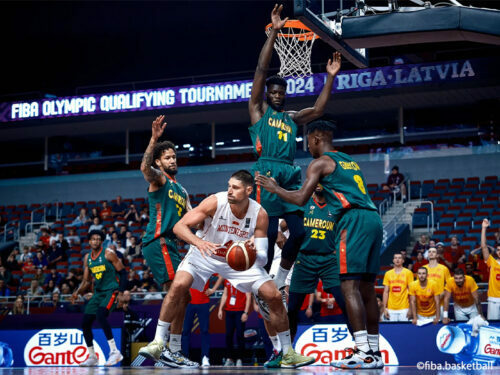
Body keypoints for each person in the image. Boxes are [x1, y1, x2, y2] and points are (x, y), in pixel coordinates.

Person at [256, 117, 383, 369]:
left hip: (352, 220)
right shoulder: (348, 160)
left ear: (316, 139)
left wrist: (274, 187)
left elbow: (302, 198)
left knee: (349, 290)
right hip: (372, 218)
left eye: (308, 142)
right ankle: (374, 352)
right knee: (366, 290)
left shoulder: (319, 163)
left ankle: (362, 352)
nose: (307, 147)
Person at [165, 170, 314, 368]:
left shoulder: (260, 213)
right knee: (180, 287)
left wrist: (250, 251)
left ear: (248, 190)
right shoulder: (215, 202)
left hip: (237, 261)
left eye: (234, 187)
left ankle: (287, 352)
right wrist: (199, 243)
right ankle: (164, 345)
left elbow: (261, 258)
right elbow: (180, 227)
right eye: (229, 186)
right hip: (207, 253)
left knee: (274, 296)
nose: (229, 191)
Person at [248, 4, 342, 293]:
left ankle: (280, 279)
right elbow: (263, 70)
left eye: (281, 93)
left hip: (289, 173)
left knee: (299, 232)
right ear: (267, 94)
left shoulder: (291, 118)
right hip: (267, 171)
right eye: (273, 92)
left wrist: (330, 77)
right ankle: (262, 285)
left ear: (285, 95)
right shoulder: (259, 111)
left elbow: (319, 108)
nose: (277, 96)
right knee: (271, 233)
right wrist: (274, 34)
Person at [137, 115, 191, 364]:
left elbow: (194, 218)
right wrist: (153, 139)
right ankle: (166, 347)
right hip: (158, 241)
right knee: (175, 291)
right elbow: (144, 169)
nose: (172, 161)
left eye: (174, 157)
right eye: (167, 157)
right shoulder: (158, 179)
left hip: (172, 245)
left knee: (184, 296)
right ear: (160, 161)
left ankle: (174, 349)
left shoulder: (182, 190)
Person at [287, 185, 349, 344]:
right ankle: (286, 350)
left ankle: (361, 348)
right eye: (317, 181)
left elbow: (345, 231)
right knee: (292, 308)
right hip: (304, 258)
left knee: (344, 302)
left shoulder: (336, 206)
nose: (319, 184)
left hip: (329, 259)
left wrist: (340, 247)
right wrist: (282, 236)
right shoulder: (303, 203)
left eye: (323, 181)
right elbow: (283, 225)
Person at [71, 230, 127, 366]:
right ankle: (92, 357)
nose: (95, 241)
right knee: (85, 323)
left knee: (101, 315)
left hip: (111, 290)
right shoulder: (87, 258)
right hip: (98, 293)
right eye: (93, 239)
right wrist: (77, 292)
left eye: (98, 239)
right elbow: (86, 281)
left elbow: (123, 273)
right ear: (89, 241)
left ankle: (115, 352)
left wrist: (120, 292)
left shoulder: (108, 254)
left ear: (101, 242)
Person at [183, 275, 223, 367]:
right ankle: (185, 357)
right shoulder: (188, 264)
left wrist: (213, 290)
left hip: (203, 302)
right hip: (189, 302)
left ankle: (205, 357)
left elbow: (221, 276)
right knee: (185, 331)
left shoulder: (206, 264)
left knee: (204, 331)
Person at [218, 280, 251, 367]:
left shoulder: (244, 279)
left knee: (240, 335)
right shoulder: (227, 279)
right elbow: (225, 295)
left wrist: (246, 312)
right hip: (229, 311)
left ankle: (240, 359)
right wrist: (220, 309)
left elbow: (248, 296)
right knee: (228, 335)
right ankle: (230, 358)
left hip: (240, 311)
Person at [382, 252, 414, 321]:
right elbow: (385, 292)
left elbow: (412, 292)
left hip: (404, 308)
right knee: (392, 330)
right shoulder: (388, 274)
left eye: (399, 258)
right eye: (395, 258)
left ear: (403, 260)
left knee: (404, 330)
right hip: (391, 308)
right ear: (393, 260)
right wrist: (384, 308)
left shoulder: (408, 273)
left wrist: (411, 309)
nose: (397, 260)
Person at [480, 219, 500, 320]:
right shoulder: (492, 261)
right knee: (493, 326)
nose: (499, 251)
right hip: (494, 299)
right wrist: (484, 228)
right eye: (498, 250)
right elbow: (483, 247)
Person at [424, 247, 451, 316]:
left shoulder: (444, 268)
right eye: (429, 252)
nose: (431, 253)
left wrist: (442, 294)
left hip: (440, 303)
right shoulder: (423, 268)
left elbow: (450, 285)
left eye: (433, 252)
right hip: (426, 303)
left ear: (437, 255)